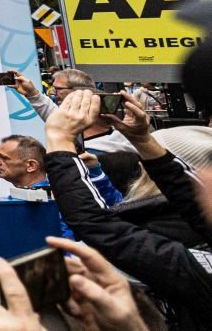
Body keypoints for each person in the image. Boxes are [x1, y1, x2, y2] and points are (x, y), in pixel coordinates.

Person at [42, 90, 212, 323]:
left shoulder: (197, 270)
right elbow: (191, 199)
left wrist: (59, 142)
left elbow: (96, 224)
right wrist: (143, 140)